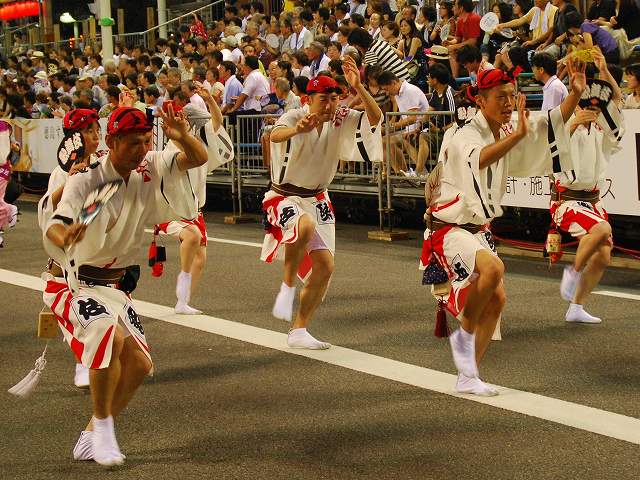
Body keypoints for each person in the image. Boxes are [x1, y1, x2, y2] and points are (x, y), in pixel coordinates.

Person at [40, 105, 210, 466]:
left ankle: (91, 434)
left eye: (147, 140)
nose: (142, 149)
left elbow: (197, 159)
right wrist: (65, 234)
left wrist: (181, 136)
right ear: (112, 141)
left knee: (140, 364)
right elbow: (57, 222)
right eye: (134, 142)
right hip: (73, 283)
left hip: (114, 286)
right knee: (108, 336)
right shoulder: (86, 179)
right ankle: (104, 429)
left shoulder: (148, 166)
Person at [421, 60, 585, 396]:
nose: (509, 103)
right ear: (480, 100)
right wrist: (519, 135)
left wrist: (576, 93)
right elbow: (478, 159)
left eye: (511, 95)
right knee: (494, 268)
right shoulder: (463, 132)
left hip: (476, 229)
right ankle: (464, 337)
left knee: (497, 300)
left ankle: (468, 374)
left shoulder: (506, 128)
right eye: (501, 97)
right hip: (448, 228)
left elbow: (549, 126)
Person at [262, 58, 382, 350]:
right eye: (323, 100)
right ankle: (287, 287)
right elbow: (275, 134)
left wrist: (359, 87)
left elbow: (375, 118)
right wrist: (297, 131)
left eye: (334, 98)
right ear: (308, 100)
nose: (329, 105)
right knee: (303, 226)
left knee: (325, 267)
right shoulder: (294, 115)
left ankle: (299, 329)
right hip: (284, 195)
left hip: (318, 197)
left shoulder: (340, 117)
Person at [551, 52, 623, 324]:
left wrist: (604, 71)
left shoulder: (602, 127)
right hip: (566, 201)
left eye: (598, 104)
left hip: (592, 201)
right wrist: (573, 124)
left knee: (603, 256)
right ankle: (572, 273)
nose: (595, 108)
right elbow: (551, 151)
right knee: (602, 229)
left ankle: (576, 307)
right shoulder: (564, 122)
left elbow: (617, 100)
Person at [37, 109, 104, 388]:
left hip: (98, 248)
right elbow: (47, 210)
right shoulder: (60, 171)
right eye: (89, 131)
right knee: (82, 312)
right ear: (73, 138)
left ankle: (95, 360)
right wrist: (69, 181)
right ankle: (83, 362)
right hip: (71, 252)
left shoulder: (103, 163)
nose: (96, 135)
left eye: (97, 129)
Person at [155, 87, 234, 314]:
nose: (203, 127)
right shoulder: (176, 144)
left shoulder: (199, 144)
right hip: (172, 208)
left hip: (194, 209)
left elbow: (216, 123)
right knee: (192, 237)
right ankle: (182, 289)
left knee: (201, 257)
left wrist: (211, 101)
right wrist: (179, 132)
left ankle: (183, 301)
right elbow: (186, 147)